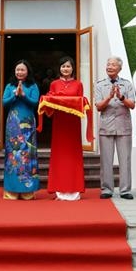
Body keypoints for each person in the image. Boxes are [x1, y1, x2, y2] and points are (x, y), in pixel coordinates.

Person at [94, 56, 136, 200]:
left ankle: (125, 190)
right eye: (108, 64)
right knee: (106, 160)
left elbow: (132, 104)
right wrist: (110, 97)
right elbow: (99, 106)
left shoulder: (127, 84)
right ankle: (106, 189)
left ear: (120, 68)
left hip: (124, 126)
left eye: (113, 65)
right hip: (106, 126)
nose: (110, 67)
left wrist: (121, 97)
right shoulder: (100, 85)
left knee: (125, 159)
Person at [45, 56, 85, 200]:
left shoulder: (78, 84)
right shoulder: (54, 84)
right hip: (59, 123)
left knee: (73, 154)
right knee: (59, 154)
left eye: (68, 66)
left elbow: (81, 101)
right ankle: (59, 190)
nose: (65, 69)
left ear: (73, 68)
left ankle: (74, 189)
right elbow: (50, 100)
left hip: (73, 123)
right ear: (59, 69)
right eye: (63, 66)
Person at [2, 59, 40, 200]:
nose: (19, 72)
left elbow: (35, 103)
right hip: (13, 123)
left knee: (27, 154)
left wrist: (23, 95)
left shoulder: (33, 86)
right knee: (13, 154)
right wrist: (14, 94)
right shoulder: (10, 85)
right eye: (17, 70)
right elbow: (4, 102)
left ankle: (27, 190)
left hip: (28, 123)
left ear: (27, 71)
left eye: (22, 70)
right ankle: (12, 189)